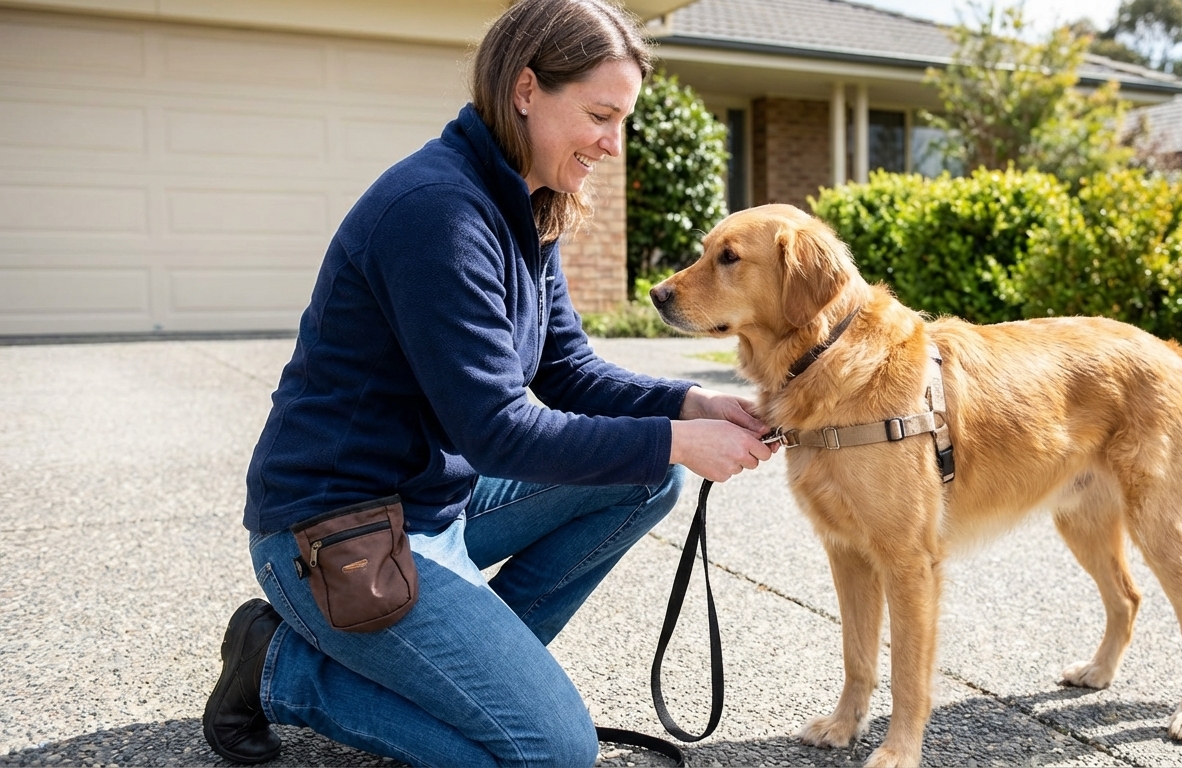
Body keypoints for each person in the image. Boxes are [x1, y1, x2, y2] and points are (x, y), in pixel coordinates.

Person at [200, 1, 775, 765]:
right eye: (601, 115)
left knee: (648, 480)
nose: (613, 143)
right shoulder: (437, 213)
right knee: (551, 756)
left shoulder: (529, 207)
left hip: (435, 505)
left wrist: (689, 404)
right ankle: (281, 672)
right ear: (527, 88)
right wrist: (676, 438)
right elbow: (497, 430)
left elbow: (567, 370)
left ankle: (446, 674)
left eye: (621, 119)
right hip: (335, 531)